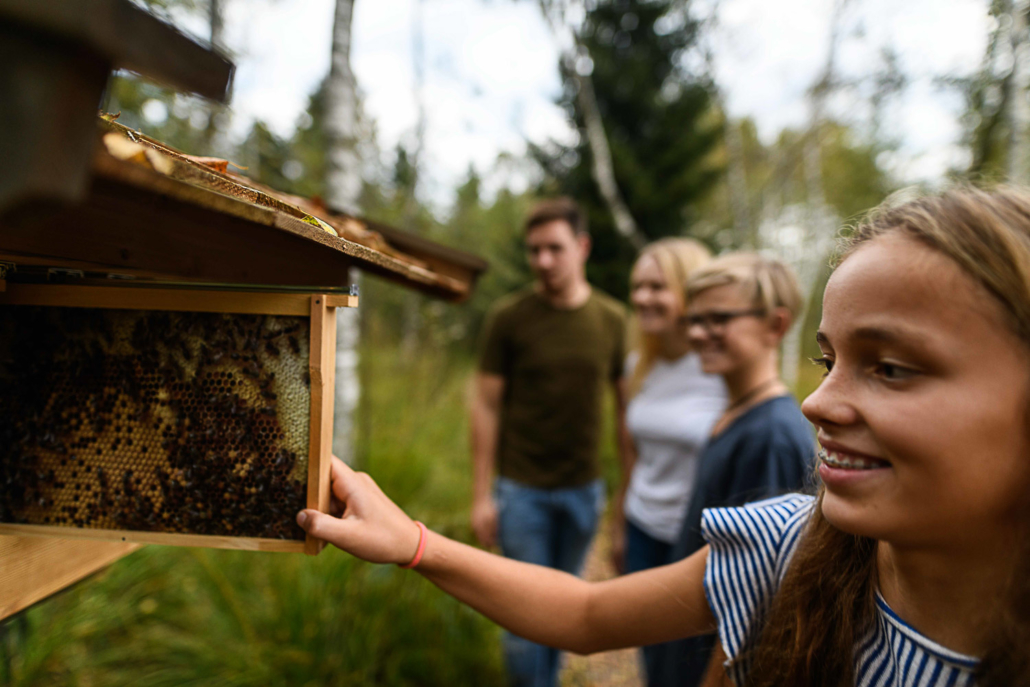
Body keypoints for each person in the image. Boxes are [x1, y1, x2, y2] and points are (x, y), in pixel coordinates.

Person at [297, 186, 1030, 687]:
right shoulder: (789, 546)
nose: (819, 403)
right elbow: (588, 613)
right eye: (827, 361)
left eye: (893, 368)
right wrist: (413, 542)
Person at [468, 197, 629, 687]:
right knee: (522, 620)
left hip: (583, 490)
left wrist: (624, 494)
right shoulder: (509, 317)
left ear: (581, 247)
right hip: (521, 491)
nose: (542, 261)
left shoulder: (612, 319)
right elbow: (485, 405)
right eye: (534, 250)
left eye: (554, 248)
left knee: (566, 608)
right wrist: (481, 496)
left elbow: (626, 410)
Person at [649, 253, 815, 687]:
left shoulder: (772, 436)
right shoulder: (737, 413)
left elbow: (756, 595)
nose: (699, 334)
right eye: (694, 320)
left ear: (775, 326)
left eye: (718, 319)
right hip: (682, 638)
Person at [614, 238, 728, 679]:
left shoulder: (720, 368)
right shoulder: (638, 363)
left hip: (697, 543)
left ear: (688, 290)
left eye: (657, 286)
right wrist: (620, 520)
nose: (642, 297)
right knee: (651, 657)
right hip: (643, 528)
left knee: (688, 664)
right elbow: (632, 448)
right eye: (638, 286)